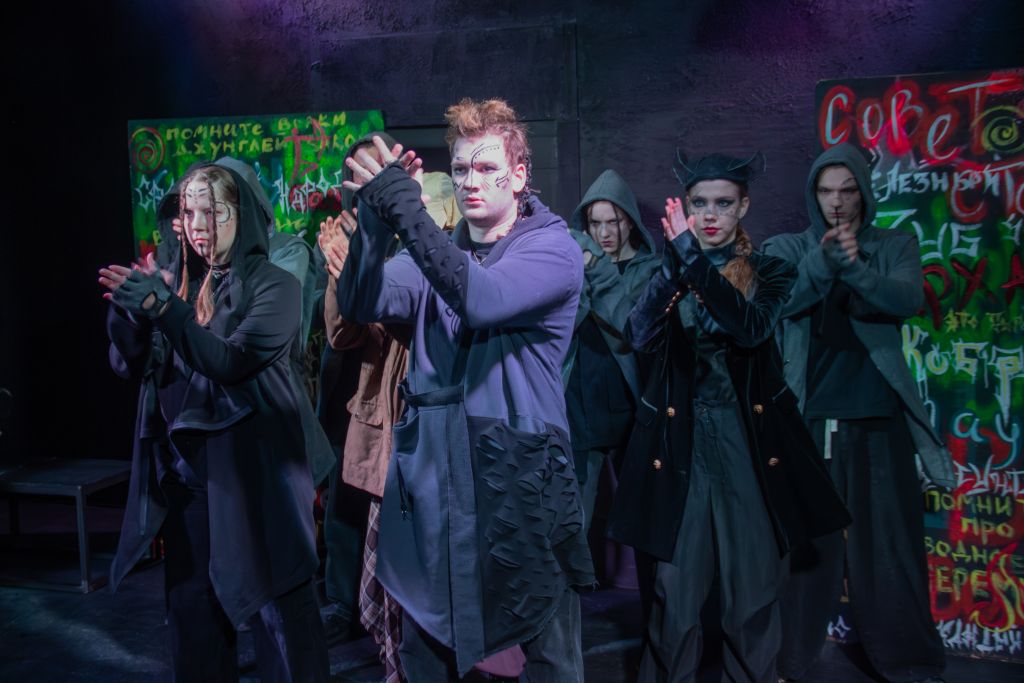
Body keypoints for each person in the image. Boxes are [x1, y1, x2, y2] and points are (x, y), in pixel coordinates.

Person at [337, 98, 594, 681]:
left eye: (486, 167)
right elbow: (360, 300)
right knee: (426, 647)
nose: (471, 180)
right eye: (460, 169)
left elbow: (481, 297)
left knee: (548, 650)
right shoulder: (439, 256)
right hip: (437, 479)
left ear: (519, 175)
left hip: (523, 482)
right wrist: (374, 224)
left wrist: (402, 204)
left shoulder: (551, 248)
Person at [609, 152, 850, 683]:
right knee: (675, 594)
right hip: (681, 444)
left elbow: (751, 329)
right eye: (700, 203)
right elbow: (638, 334)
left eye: (723, 203)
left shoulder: (770, 270)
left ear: (743, 207)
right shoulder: (670, 270)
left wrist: (692, 261)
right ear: (686, 209)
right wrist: (675, 266)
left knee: (752, 593)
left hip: (748, 443)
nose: (710, 214)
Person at [99, 159, 334, 682]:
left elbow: (229, 360)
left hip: (259, 478)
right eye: (188, 213)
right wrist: (131, 315)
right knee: (194, 616)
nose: (197, 225)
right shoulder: (179, 283)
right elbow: (131, 365)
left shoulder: (273, 283)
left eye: (213, 211)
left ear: (241, 214)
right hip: (189, 481)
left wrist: (163, 308)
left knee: (281, 613)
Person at [763, 142, 952, 683]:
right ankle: (789, 662)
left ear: (864, 193)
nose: (837, 202)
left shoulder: (894, 244)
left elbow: (905, 298)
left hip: (877, 421)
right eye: (826, 191)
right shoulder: (788, 246)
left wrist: (855, 268)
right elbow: (781, 301)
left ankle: (910, 664)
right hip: (810, 421)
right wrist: (825, 263)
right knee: (806, 555)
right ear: (813, 194)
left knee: (889, 550)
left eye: (847, 190)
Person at [566, 170, 661, 530]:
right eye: (595, 223)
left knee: (640, 514)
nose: (604, 233)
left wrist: (595, 269)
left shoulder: (649, 271)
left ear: (630, 221)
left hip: (629, 404)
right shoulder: (575, 267)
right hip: (582, 402)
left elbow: (631, 324)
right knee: (578, 513)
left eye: (613, 222)